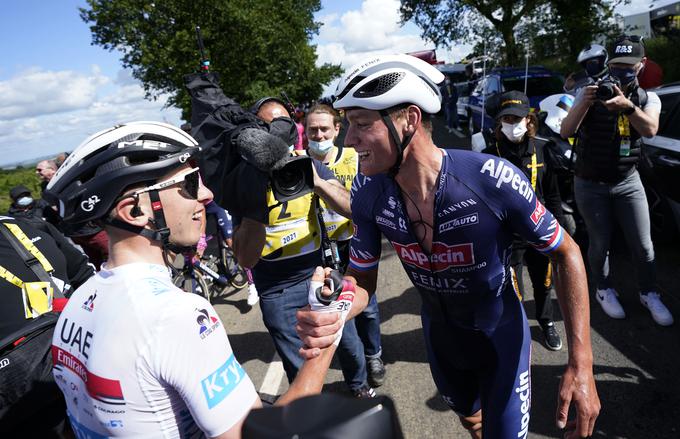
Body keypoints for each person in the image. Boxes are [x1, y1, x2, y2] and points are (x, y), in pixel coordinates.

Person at [296, 54, 600, 439]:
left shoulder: (491, 179)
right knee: (472, 422)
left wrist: (582, 363)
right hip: (441, 340)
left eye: (361, 125)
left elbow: (566, 251)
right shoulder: (368, 191)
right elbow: (362, 279)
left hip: (500, 336)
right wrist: (336, 310)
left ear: (409, 119)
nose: (349, 140)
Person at [45, 121, 345, 438]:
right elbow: (261, 435)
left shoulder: (78, 302)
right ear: (134, 211)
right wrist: (324, 342)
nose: (206, 195)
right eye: (190, 184)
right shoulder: (177, 316)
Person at [234, 100, 377, 398]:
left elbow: (352, 207)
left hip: (318, 272)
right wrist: (253, 202)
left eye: (283, 126)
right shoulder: (243, 176)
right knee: (300, 362)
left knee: (348, 343)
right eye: (266, 128)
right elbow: (245, 258)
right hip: (275, 286)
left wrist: (317, 182)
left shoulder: (307, 161)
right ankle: (310, 412)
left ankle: (359, 386)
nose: (276, 136)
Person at [560, 35, 674, 326]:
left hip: (627, 180)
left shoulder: (649, 98)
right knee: (600, 242)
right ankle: (604, 288)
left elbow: (649, 130)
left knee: (644, 244)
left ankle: (648, 292)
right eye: (617, 65)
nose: (622, 70)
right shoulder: (589, 90)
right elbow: (566, 131)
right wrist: (584, 102)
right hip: (589, 183)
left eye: (629, 65)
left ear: (641, 65)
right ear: (608, 64)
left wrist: (627, 107)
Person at [304, 103, 387, 387]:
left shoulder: (354, 156)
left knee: (368, 305)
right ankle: (354, 360)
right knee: (333, 302)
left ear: (337, 130)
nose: (318, 135)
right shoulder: (300, 162)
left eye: (324, 129)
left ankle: (374, 353)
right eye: (312, 130)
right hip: (320, 247)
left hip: (353, 241)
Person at [482, 91, 565, 351]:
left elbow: (552, 195)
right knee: (512, 286)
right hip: (507, 237)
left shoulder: (543, 149)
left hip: (539, 231)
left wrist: (560, 231)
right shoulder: (488, 154)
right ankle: (517, 328)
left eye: (517, 118)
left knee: (544, 282)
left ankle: (546, 321)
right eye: (506, 118)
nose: (512, 123)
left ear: (529, 120)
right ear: (498, 123)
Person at [0, 214, 94, 437]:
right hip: (81, 358)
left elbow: (85, 276)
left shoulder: (31, 224)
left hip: (26, 391)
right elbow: (87, 277)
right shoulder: (28, 224)